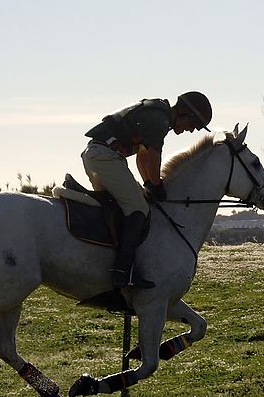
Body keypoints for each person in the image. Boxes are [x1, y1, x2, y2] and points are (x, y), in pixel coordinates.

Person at [81, 91, 212, 289]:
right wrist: (156, 185)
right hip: (105, 157)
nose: (191, 130)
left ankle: (110, 263)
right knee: (139, 209)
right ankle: (122, 271)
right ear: (184, 113)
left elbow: (142, 156)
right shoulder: (159, 119)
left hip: (99, 155)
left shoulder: (159, 116)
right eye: (193, 125)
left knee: (122, 208)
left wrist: (149, 183)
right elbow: (152, 157)